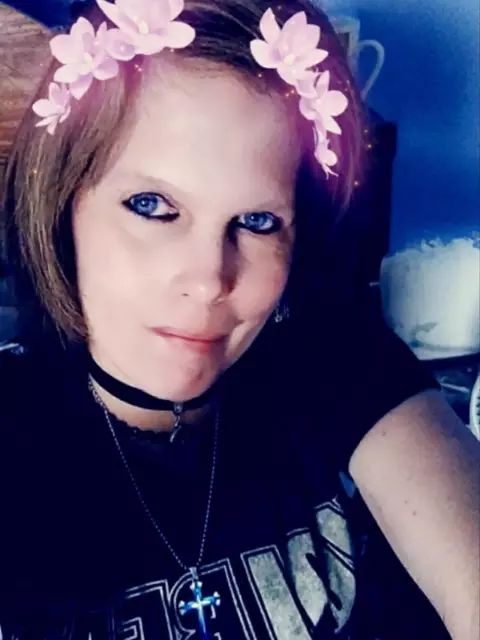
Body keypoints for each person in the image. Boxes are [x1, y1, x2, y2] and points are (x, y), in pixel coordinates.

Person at [0, 0, 478, 638]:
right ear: (64, 206)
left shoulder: (336, 364)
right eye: (152, 205)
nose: (208, 280)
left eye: (257, 222)